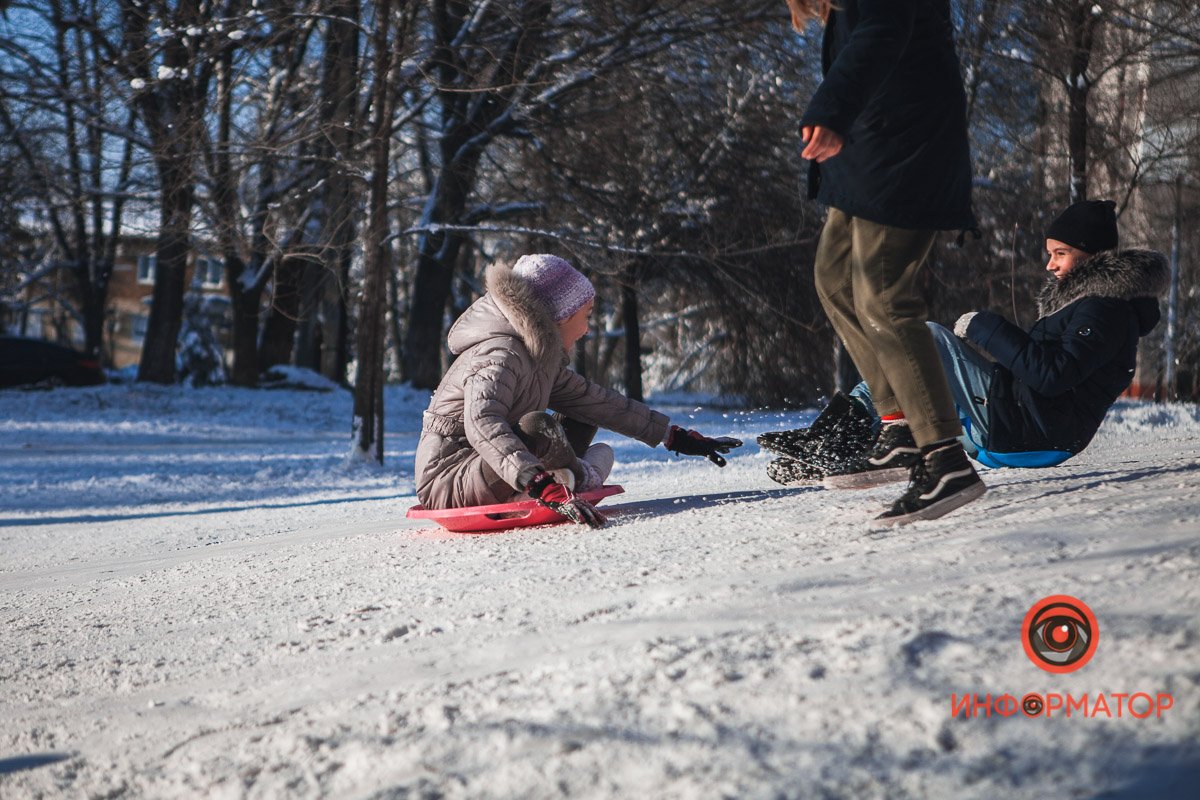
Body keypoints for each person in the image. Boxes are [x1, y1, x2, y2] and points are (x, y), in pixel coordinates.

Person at [762, 199, 1169, 483]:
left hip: (1033, 433)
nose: (1050, 264)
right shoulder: (1091, 303)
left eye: (1060, 254)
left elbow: (1053, 376)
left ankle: (837, 440)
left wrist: (987, 329)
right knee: (916, 374)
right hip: (1028, 426)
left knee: (925, 339)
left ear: (1092, 254)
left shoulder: (1106, 309)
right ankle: (838, 449)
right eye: (1050, 253)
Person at [783, 0, 984, 525]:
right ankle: (898, 427)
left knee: (884, 295)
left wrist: (832, 109)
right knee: (835, 278)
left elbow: (884, 29)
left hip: (907, 152)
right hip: (874, 153)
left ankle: (943, 457)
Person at [414, 254, 743, 528]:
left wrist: (672, 435)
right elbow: (482, 422)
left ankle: (567, 479)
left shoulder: (536, 357)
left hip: (497, 470)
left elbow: (597, 401)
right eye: (585, 316)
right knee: (537, 427)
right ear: (562, 316)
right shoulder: (500, 354)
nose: (586, 329)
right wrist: (539, 482)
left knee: (584, 415)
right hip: (451, 478)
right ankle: (561, 482)